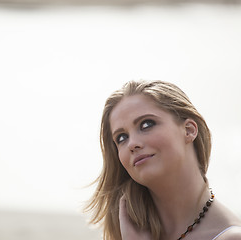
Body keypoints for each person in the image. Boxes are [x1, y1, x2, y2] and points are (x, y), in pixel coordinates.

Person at [85, 80, 241, 240]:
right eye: (122, 137)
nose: (132, 144)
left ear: (188, 130)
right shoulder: (127, 232)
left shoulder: (230, 236)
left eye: (146, 124)